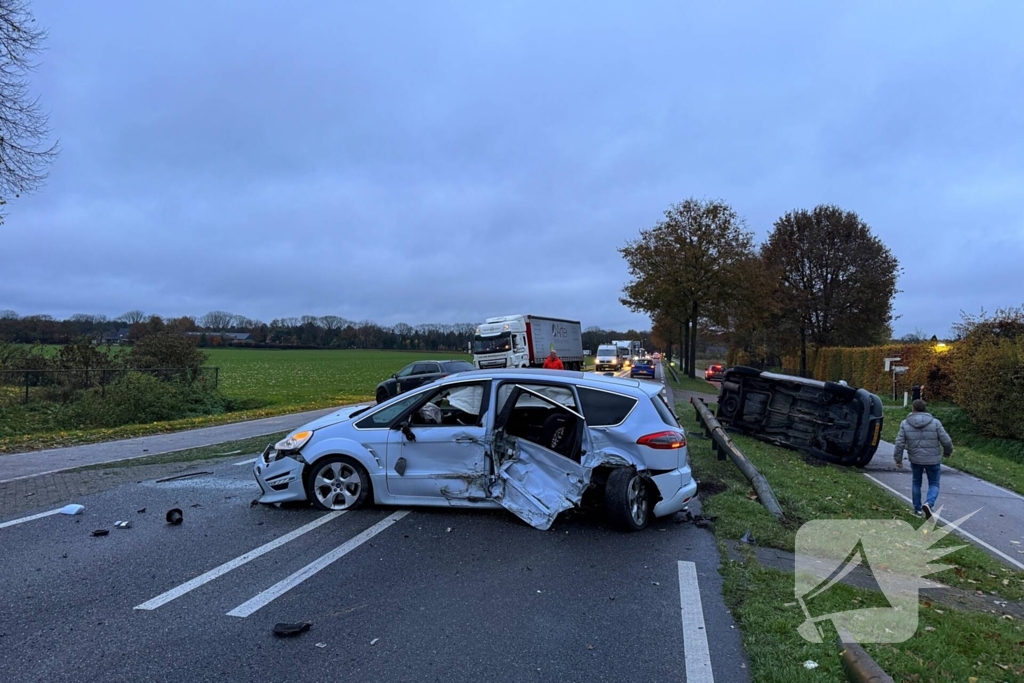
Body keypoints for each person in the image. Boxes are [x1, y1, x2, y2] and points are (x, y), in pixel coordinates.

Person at [893, 399, 953, 519]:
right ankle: (929, 503)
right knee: (934, 483)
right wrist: (947, 452)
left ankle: (917, 510)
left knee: (916, 482)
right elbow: (946, 440)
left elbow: (899, 443)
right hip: (933, 458)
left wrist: (898, 459)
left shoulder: (905, 423)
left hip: (915, 459)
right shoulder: (935, 423)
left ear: (913, 409)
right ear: (925, 409)